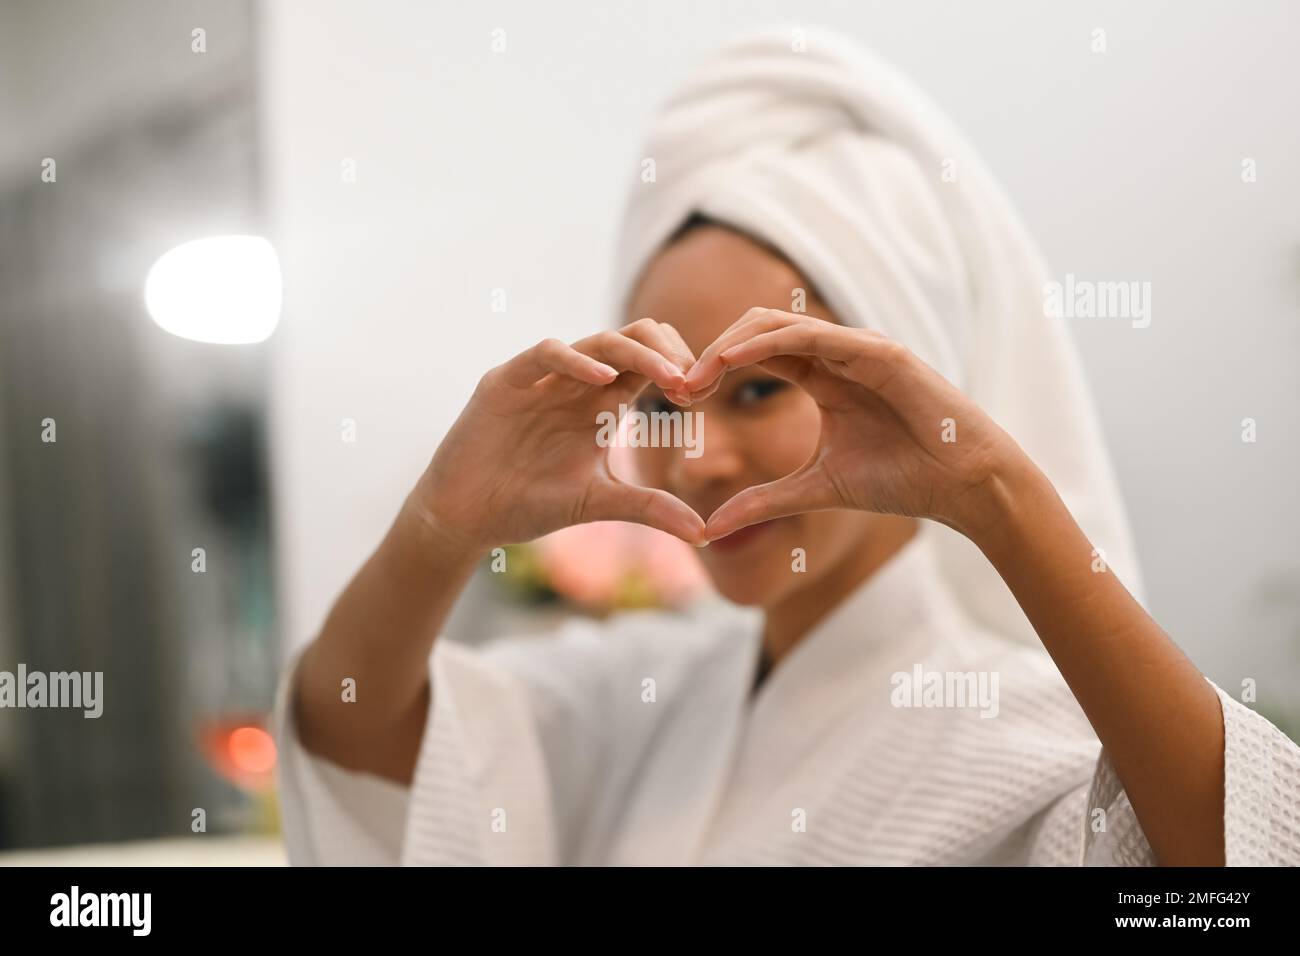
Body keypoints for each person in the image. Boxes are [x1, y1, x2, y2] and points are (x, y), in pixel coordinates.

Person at [272, 27, 1300, 866]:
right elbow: (352, 738)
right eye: (665, 405)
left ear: (902, 385)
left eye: (761, 387)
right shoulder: (641, 698)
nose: (700, 459)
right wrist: (443, 521)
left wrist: (992, 491)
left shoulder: (1024, 728)